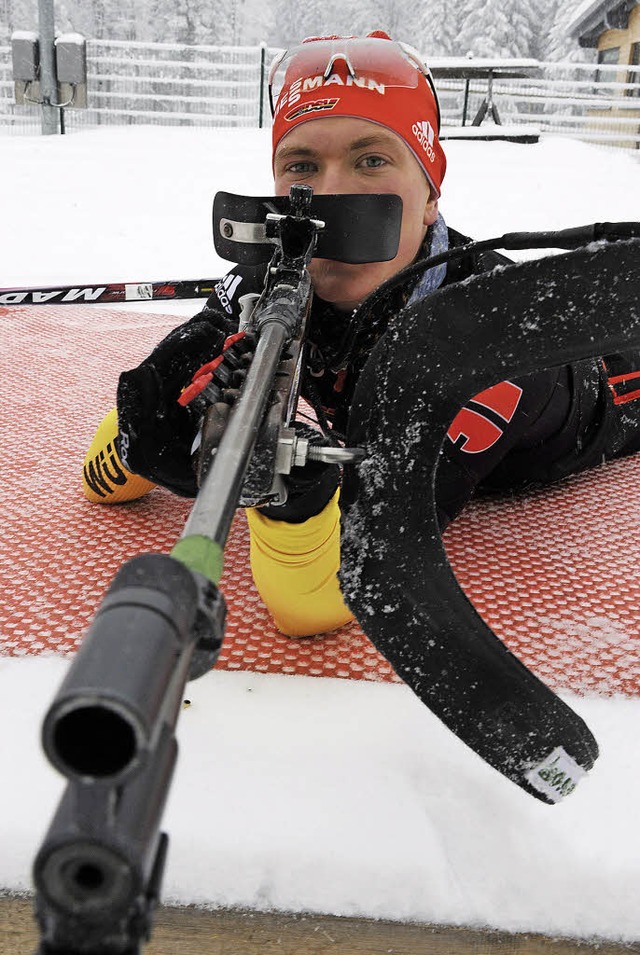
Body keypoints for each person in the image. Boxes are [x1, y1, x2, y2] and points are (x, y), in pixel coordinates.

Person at [82, 31, 640, 639]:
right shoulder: (277, 275)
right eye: (301, 166)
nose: (330, 193)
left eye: (371, 159)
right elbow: (103, 479)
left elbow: (332, 595)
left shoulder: (487, 345)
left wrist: (290, 506)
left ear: (429, 195)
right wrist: (151, 428)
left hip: (614, 379)